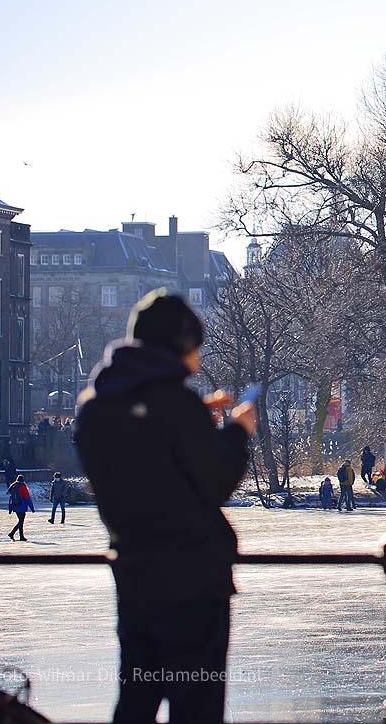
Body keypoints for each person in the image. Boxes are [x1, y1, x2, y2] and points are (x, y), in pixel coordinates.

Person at [75, 289, 255, 723]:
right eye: (195, 349)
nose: (196, 361)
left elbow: (147, 459)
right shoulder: (175, 404)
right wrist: (236, 432)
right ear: (180, 345)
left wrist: (194, 415)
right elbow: (215, 483)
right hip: (193, 580)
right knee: (196, 708)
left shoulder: (95, 409)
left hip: (135, 573)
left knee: (136, 700)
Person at [7, 474, 35, 540]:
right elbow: (28, 499)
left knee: (20, 521)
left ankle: (19, 536)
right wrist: (32, 508)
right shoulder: (23, 487)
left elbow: (11, 499)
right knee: (21, 522)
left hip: (15, 507)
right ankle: (13, 534)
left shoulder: (13, 486)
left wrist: (10, 509)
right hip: (22, 507)